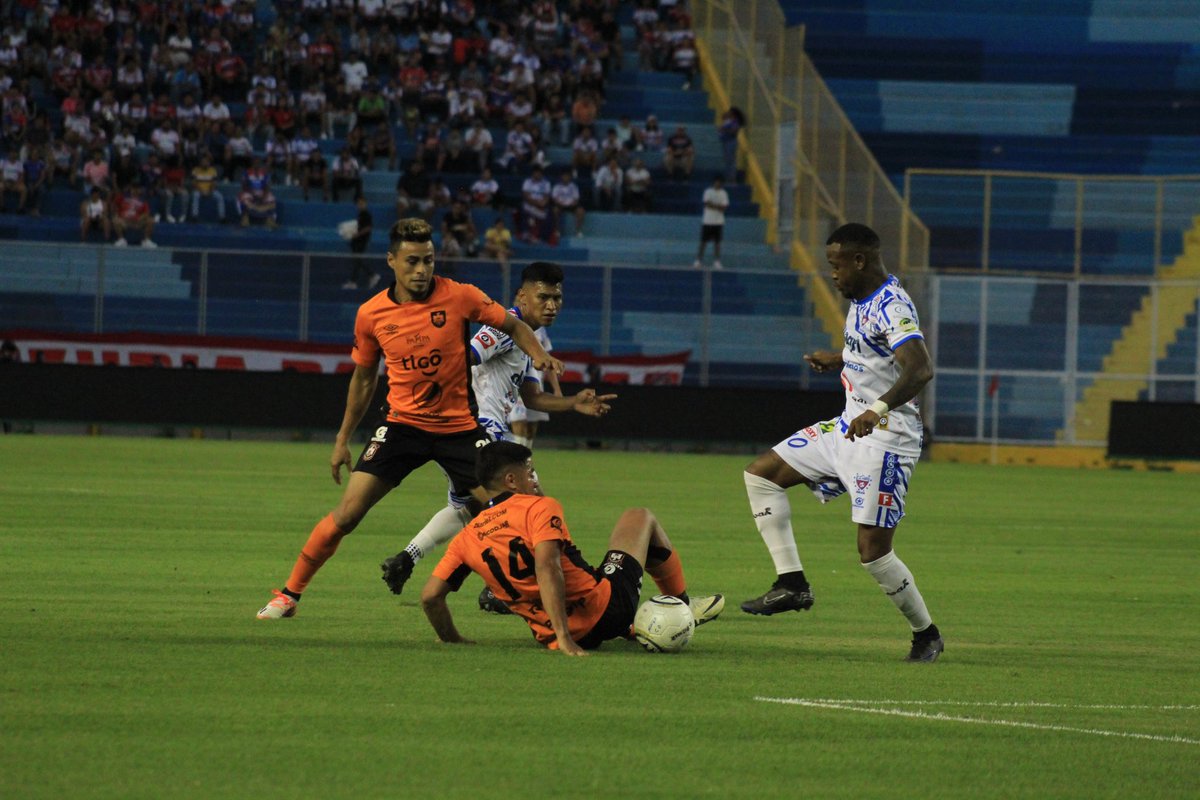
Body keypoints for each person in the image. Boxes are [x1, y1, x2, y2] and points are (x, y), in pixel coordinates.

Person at [256, 218, 563, 620]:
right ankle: (289, 594)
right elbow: (364, 380)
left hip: (459, 429)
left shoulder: (460, 296)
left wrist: (537, 354)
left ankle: (537, 598)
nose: (422, 271)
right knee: (347, 514)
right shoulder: (371, 315)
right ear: (391, 261)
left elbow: (514, 323)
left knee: (513, 510)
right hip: (402, 426)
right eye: (413, 261)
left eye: (429, 261)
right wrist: (342, 438)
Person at [739, 223, 943, 663]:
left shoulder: (892, 305)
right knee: (761, 475)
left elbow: (920, 368)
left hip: (886, 441)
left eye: (835, 265)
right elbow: (877, 354)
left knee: (873, 553)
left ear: (859, 261)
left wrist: (878, 410)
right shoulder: (858, 300)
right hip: (849, 428)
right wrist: (841, 359)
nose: (831, 274)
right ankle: (791, 585)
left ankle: (926, 633)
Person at [381, 261, 617, 599]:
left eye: (557, 298)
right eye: (543, 297)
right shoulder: (505, 327)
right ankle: (502, 587)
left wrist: (573, 403)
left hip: (476, 433)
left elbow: (533, 397)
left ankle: (408, 558)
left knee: (471, 509)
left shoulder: (527, 337)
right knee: (527, 504)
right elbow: (464, 356)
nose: (551, 305)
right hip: (476, 432)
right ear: (523, 295)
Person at [418, 441, 725, 654]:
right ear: (511, 480)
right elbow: (547, 567)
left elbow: (431, 597)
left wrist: (452, 639)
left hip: (548, 634)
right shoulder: (539, 508)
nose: (534, 478)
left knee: (579, 566)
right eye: (530, 471)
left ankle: (633, 626)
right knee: (639, 517)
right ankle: (683, 605)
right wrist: (567, 640)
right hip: (606, 611)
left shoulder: (466, 538)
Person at [693, 176, 729, 270]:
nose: (718, 184)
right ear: (714, 182)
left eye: (720, 182)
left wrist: (713, 205)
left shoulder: (724, 193)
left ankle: (717, 261)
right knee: (703, 242)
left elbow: (724, 207)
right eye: (716, 182)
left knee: (717, 243)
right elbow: (706, 204)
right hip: (707, 221)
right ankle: (698, 260)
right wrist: (718, 206)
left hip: (718, 222)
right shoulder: (708, 192)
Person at [342, 195, 376, 290]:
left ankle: (370, 275)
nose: (360, 205)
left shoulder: (366, 214)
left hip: (361, 241)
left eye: (362, 203)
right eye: (358, 203)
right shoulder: (361, 214)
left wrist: (357, 234)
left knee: (357, 260)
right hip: (357, 241)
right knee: (357, 260)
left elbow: (368, 228)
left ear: (365, 203)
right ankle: (358, 279)